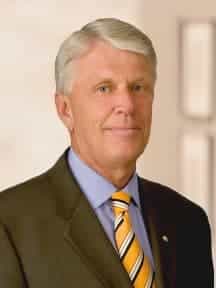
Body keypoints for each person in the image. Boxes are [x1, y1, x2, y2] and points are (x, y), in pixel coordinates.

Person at [0, 18, 214, 288]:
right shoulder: (10, 224)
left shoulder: (187, 221)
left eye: (138, 87)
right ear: (66, 109)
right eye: (104, 88)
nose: (126, 104)